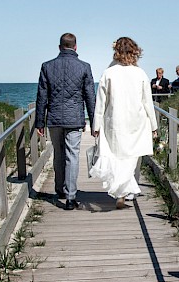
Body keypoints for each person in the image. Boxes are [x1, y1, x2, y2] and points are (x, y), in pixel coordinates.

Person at [92, 37, 158, 209]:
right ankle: (130, 192)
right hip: (137, 121)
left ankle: (120, 192)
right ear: (135, 52)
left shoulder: (108, 73)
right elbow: (147, 102)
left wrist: (96, 125)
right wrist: (154, 125)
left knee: (117, 156)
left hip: (115, 121)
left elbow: (100, 102)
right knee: (133, 156)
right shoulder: (141, 74)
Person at [34, 32, 96, 210]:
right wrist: (94, 122)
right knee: (72, 156)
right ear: (76, 47)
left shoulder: (47, 66)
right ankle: (70, 197)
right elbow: (90, 97)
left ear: (60, 47)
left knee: (58, 154)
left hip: (53, 118)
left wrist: (40, 122)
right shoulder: (84, 67)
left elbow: (41, 96)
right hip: (74, 119)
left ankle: (60, 189)